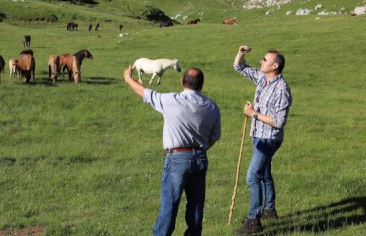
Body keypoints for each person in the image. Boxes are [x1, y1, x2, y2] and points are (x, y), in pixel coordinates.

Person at [124, 66, 221, 236]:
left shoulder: (171, 100)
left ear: (182, 82)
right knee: (196, 206)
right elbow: (214, 137)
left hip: (177, 158)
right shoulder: (212, 107)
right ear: (201, 85)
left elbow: (145, 93)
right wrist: (199, 149)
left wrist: (128, 78)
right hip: (200, 158)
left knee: (169, 205)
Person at [233, 46, 292, 234]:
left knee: (252, 176)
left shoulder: (282, 88)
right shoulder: (262, 78)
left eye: (265, 60)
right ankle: (269, 210)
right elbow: (239, 67)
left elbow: (279, 122)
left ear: (274, 66)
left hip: (269, 139)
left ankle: (253, 221)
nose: (261, 62)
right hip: (258, 134)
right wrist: (241, 52)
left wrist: (254, 114)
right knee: (264, 172)